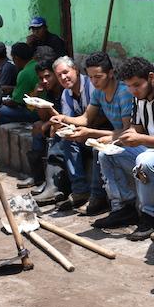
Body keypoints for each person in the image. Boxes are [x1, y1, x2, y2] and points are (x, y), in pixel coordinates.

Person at [91, 57, 154, 240]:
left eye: (136, 85)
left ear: (151, 77)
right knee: (106, 154)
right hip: (152, 149)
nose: (132, 91)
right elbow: (136, 128)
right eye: (128, 86)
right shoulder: (139, 97)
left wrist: (140, 139)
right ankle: (124, 208)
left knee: (144, 161)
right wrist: (119, 139)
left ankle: (151, 218)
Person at [35, 56, 109, 213]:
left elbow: (98, 117)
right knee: (65, 138)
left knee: (94, 147)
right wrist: (59, 121)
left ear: (75, 69)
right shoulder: (66, 94)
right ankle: (78, 189)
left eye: (66, 72)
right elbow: (74, 121)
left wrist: (71, 123)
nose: (63, 77)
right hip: (85, 132)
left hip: (104, 131)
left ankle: (94, 196)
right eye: (59, 75)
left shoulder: (93, 87)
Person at [17, 54, 64, 189]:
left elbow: (64, 116)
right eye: (41, 78)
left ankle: (50, 182)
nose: (44, 80)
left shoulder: (64, 90)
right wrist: (37, 96)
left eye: (47, 76)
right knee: (37, 126)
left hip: (65, 125)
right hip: (54, 123)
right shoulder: (48, 92)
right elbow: (43, 116)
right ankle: (37, 176)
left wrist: (47, 124)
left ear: (55, 74)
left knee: (44, 128)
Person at [0, 42, 39, 124]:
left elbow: (15, 102)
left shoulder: (24, 73)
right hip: (41, 108)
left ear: (16, 57)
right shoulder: (36, 65)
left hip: (33, 111)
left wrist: (2, 102)